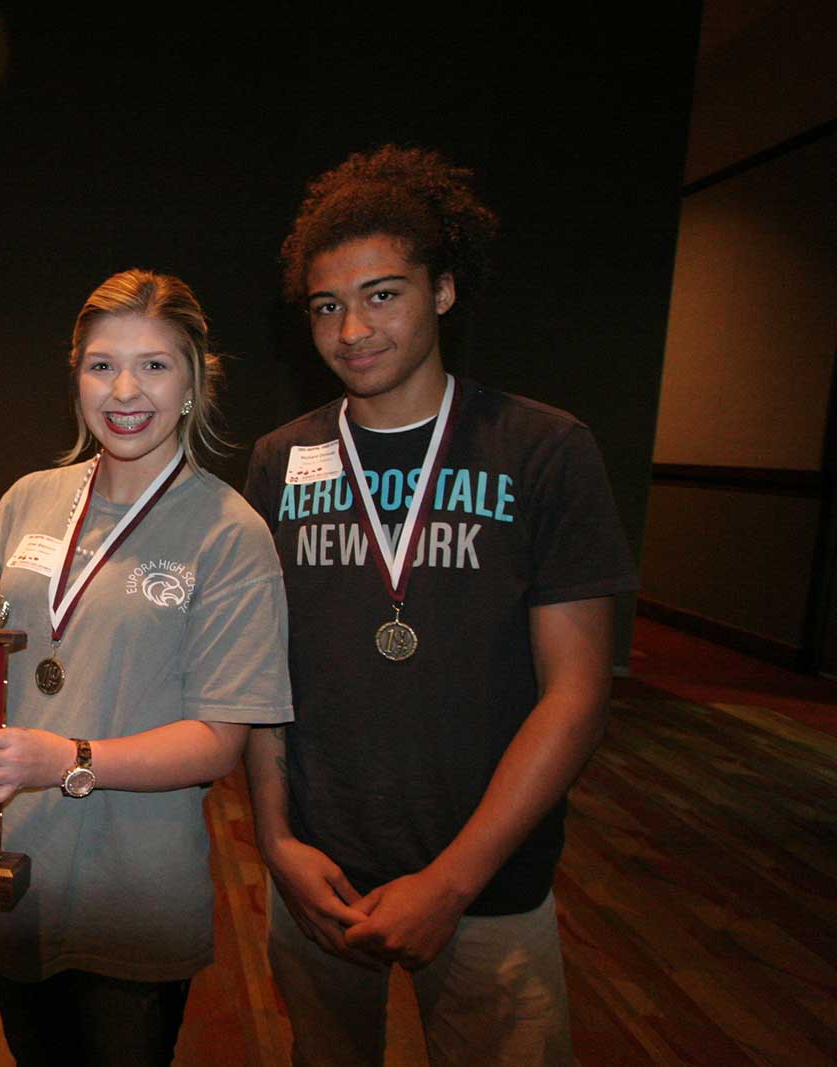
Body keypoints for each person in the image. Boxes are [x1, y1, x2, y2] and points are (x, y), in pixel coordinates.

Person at [243, 146, 638, 1066]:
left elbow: (577, 694)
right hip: (318, 877)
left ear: (445, 291)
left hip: (490, 885)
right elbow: (257, 674)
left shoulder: (544, 449)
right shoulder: (276, 460)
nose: (352, 329)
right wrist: (275, 842)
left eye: (383, 294)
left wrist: (452, 883)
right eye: (327, 305)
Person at [0, 269, 291, 1065]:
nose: (125, 389)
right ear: (76, 377)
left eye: (155, 365)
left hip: (134, 892)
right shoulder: (28, 498)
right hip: (10, 869)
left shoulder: (230, 533)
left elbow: (218, 738)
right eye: (102, 365)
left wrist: (67, 760)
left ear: (194, 383)